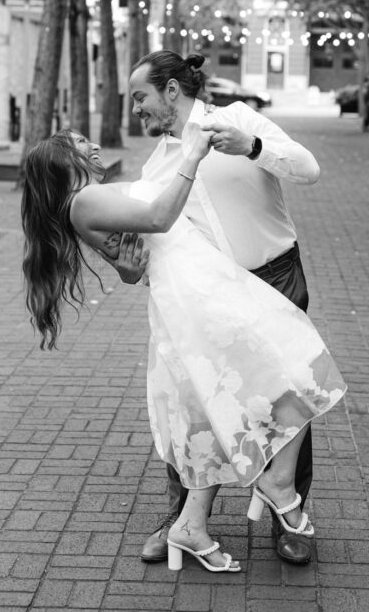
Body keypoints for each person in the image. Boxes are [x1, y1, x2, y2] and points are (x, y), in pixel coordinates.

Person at [20, 126, 346, 574]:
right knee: (298, 367)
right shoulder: (84, 202)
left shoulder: (94, 199)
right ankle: (278, 487)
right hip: (200, 295)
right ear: (61, 162)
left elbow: (136, 264)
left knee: (222, 402)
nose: (93, 145)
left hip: (201, 285)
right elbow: (158, 218)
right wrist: (191, 156)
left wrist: (129, 271)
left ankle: (194, 522)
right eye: (80, 144)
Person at [123, 50, 330, 567]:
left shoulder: (238, 119)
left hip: (275, 275)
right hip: (212, 296)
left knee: (287, 390)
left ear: (172, 90)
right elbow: (150, 242)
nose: (136, 111)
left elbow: (308, 169)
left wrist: (253, 146)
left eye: (140, 98)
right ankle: (184, 520)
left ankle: (289, 509)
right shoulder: (158, 163)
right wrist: (130, 268)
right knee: (199, 399)